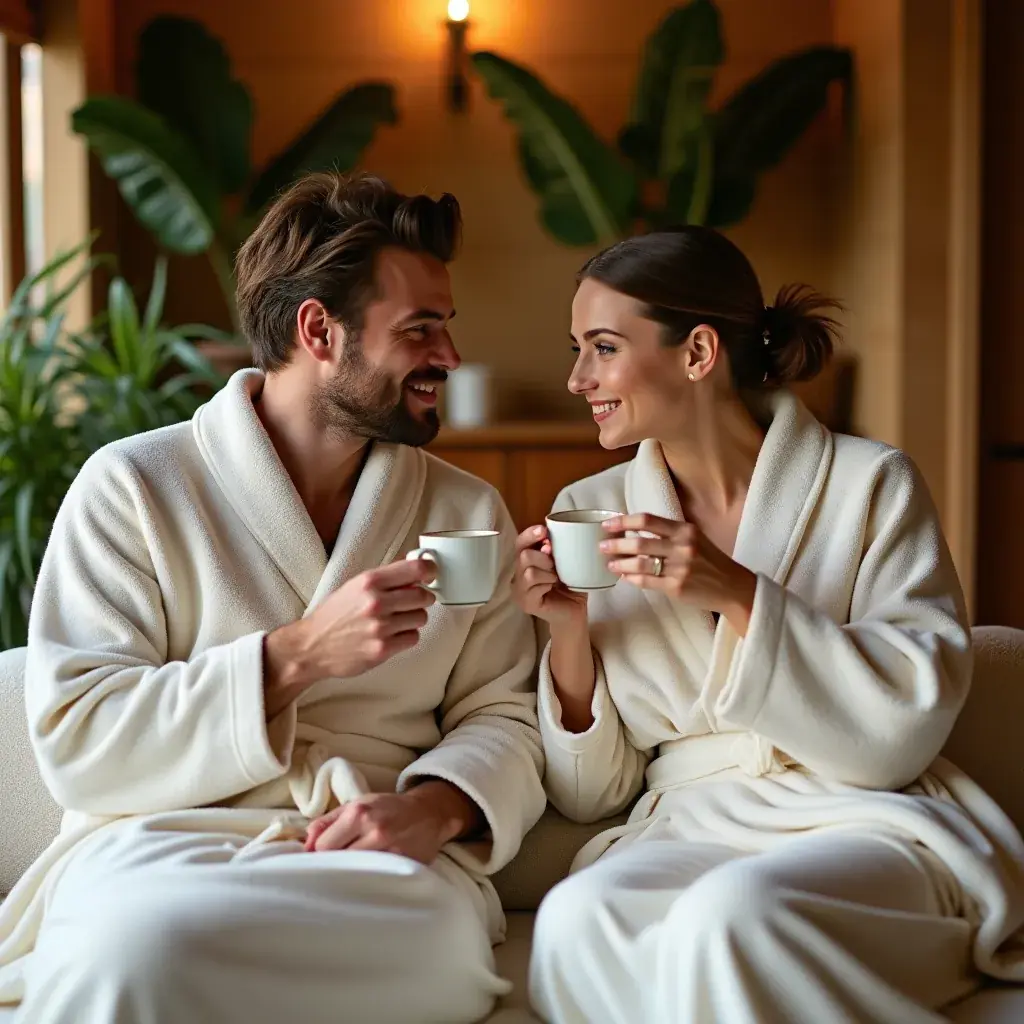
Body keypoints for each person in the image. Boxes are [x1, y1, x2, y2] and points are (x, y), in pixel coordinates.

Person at [0, 172, 546, 1024]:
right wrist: (296, 657)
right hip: (164, 842)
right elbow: (79, 739)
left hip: (378, 854)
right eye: (420, 330)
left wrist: (433, 811)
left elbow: (505, 714)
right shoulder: (134, 488)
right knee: (140, 952)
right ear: (319, 330)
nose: (450, 356)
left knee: (437, 954)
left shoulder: (462, 510)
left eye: (446, 326)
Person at [513, 226, 1024, 1023]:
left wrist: (739, 592)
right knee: (581, 920)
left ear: (698, 352)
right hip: (688, 820)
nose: (578, 378)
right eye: (577, 348)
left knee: (733, 915)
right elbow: (592, 795)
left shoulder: (869, 484)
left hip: (857, 813)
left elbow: (904, 727)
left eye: (603, 348)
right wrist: (567, 630)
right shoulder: (591, 511)